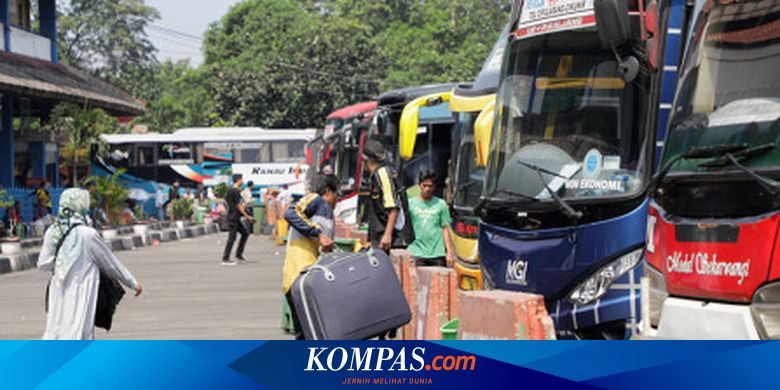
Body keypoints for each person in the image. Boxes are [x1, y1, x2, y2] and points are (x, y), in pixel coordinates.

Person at [37, 188, 142, 340]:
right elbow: (110, 264)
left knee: (56, 328)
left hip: (58, 288)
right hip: (82, 288)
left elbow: (42, 264)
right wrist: (132, 282)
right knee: (79, 330)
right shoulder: (88, 234)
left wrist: (63, 262)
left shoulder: (52, 231)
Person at [282, 173, 338, 339]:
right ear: (328, 191)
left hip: (311, 278)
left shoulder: (327, 213)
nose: (338, 200)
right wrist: (318, 234)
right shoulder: (316, 199)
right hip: (298, 276)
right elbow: (290, 213)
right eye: (337, 195)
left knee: (312, 333)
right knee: (306, 334)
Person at [362, 140, 413, 253]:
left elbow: (393, 207)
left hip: (392, 238)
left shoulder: (383, 173)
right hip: (382, 237)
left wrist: (387, 235)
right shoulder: (377, 175)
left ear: (364, 159)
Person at [408, 169, 456, 267]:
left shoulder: (441, 204)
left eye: (430, 186)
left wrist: (450, 252)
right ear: (419, 185)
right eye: (424, 185)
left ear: (434, 187)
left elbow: (445, 228)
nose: (427, 189)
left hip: (437, 254)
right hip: (416, 252)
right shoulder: (410, 204)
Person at [221, 174, 255, 265]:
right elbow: (239, 206)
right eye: (242, 179)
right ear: (238, 180)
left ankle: (238, 255)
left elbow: (226, 203)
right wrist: (248, 217)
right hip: (234, 217)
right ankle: (225, 258)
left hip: (233, 216)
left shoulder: (229, 191)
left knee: (245, 233)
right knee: (232, 238)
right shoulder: (236, 191)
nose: (243, 181)